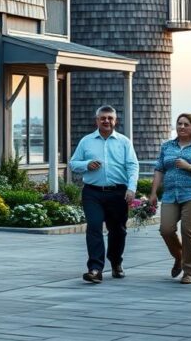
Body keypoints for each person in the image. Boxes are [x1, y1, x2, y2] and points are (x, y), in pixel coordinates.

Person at [69, 105, 139, 283]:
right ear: (97, 120)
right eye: (103, 118)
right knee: (93, 227)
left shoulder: (124, 142)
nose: (106, 121)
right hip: (93, 192)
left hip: (118, 193)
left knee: (118, 230)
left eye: (110, 118)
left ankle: (116, 262)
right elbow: (73, 163)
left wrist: (131, 188)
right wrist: (86, 164)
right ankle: (95, 269)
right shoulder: (86, 141)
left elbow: (133, 166)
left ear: (115, 121)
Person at [150, 113, 191, 284]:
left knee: (187, 231)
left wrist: (189, 166)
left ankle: (189, 271)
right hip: (170, 194)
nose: (182, 127)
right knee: (166, 230)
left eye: (186, 124)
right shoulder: (167, 146)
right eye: (179, 124)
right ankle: (179, 257)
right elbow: (159, 169)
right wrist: (153, 192)